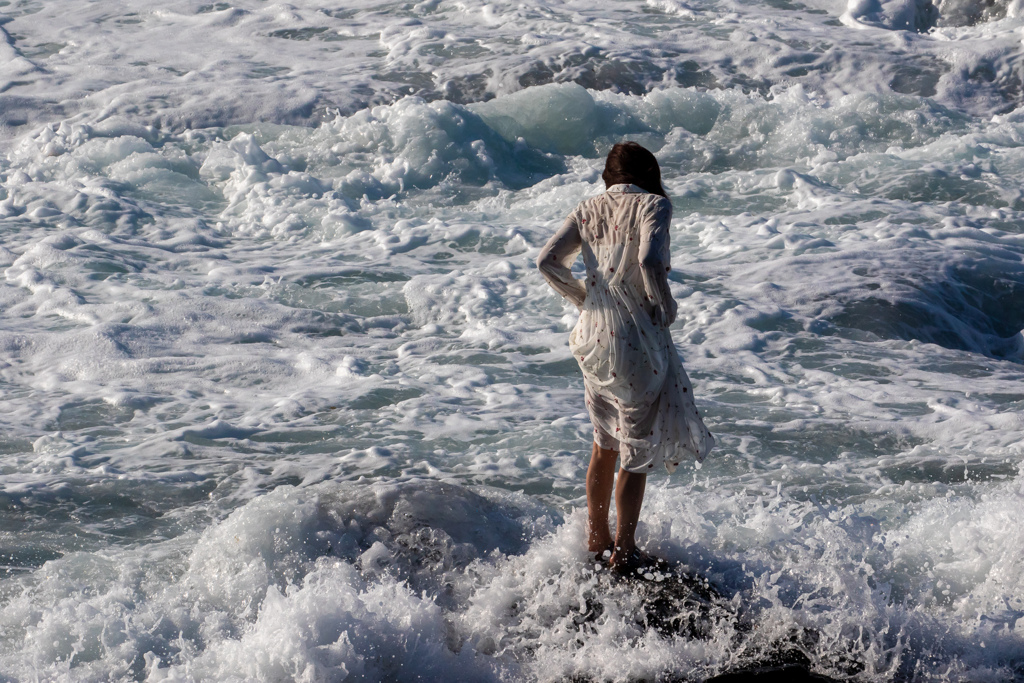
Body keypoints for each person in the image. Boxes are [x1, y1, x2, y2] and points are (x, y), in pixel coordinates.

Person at [536, 141, 714, 573]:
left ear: (607, 178)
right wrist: (663, 303)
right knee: (634, 451)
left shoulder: (587, 208)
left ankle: (597, 536)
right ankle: (624, 551)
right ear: (649, 174)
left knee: (603, 443)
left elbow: (547, 261)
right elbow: (650, 259)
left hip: (593, 337)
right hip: (637, 342)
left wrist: (584, 298)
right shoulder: (654, 205)